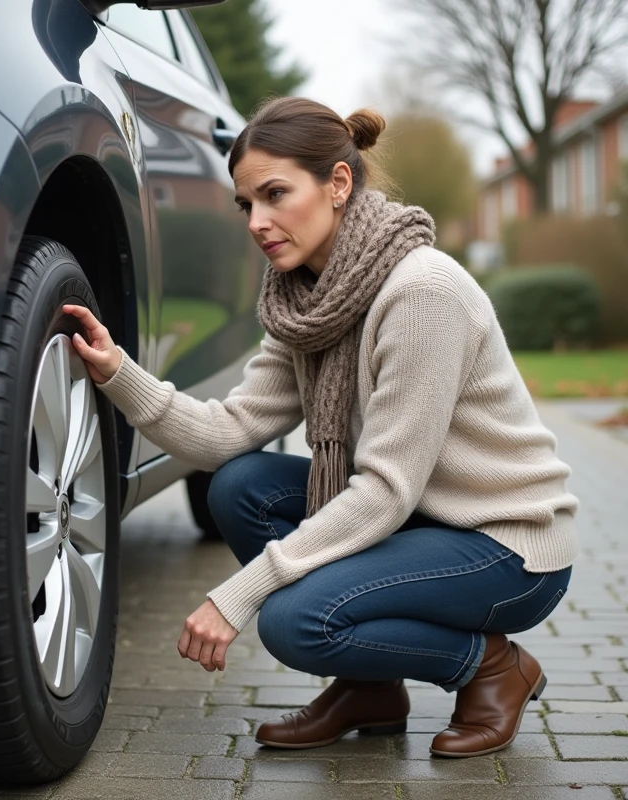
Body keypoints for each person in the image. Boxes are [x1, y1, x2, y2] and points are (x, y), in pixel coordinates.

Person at [62, 96, 578, 759]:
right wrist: (118, 373)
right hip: (425, 520)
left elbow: (385, 492)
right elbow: (229, 432)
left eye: (276, 194)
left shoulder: (421, 293)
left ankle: (491, 667)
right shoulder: (307, 302)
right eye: (246, 204)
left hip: (507, 547)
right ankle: (369, 689)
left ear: (338, 184)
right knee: (240, 486)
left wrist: (239, 596)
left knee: (295, 620)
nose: (257, 221)